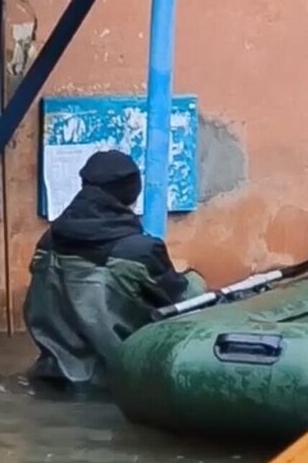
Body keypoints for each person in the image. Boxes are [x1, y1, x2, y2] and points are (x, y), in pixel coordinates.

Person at [23, 150, 206, 387]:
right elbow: (190, 301)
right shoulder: (139, 251)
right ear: (132, 193)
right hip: (115, 389)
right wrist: (195, 277)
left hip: (48, 379)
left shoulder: (48, 241)